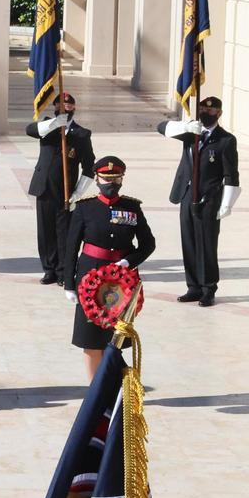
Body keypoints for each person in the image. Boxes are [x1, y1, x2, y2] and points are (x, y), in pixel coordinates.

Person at [64, 157, 155, 380]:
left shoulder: (132, 208)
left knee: (113, 340)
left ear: (122, 179)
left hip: (120, 283)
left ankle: (110, 387)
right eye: (106, 179)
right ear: (97, 179)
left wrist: (128, 262)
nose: (110, 183)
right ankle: (93, 389)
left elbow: (148, 244)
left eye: (116, 179)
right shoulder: (85, 208)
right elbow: (70, 247)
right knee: (91, 339)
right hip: (90, 281)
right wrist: (69, 283)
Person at [155, 96, 240, 307]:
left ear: (219, 113)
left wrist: (227, 204)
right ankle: (192, 286)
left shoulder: (226, 140)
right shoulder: (190, 133)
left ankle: (208, 288)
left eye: (211, 111)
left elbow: (231, 174)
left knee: (207, 246)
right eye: (203, 108)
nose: (206, 112)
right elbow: (161, 127)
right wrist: (185, 125)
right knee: (189, 242)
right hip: (186, 195)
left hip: (209, 199)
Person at [25, 93, 96, 285]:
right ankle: (49, 269)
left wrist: (78, 193)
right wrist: (56, 124)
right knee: (45, 232)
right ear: (55, 106)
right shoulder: (47, 127)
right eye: (61, 103)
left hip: (66, 192)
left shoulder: (82, 134)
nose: (65, 106)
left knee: (65, 233)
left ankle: (64, 271)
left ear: (74, 107)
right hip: (44, 188)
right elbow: (30, 130)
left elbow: (90, 166)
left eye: (69, 104)